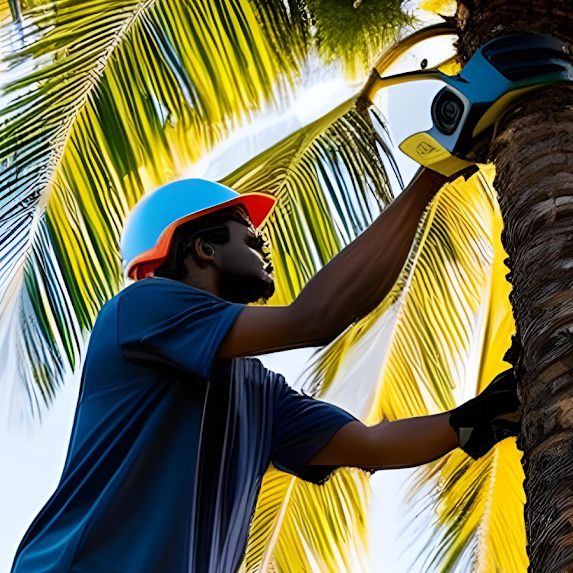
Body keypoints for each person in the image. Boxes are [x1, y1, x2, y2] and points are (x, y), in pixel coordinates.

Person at [10, 169, 521, 573]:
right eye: (249, 236)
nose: (264, 247)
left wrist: (485, 415)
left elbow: (372, 446)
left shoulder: (256, 393)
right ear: (203, 248)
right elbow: (315, 319)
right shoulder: (142, 308)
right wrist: (429, 177)